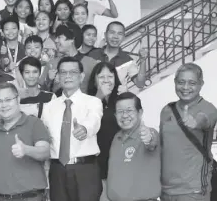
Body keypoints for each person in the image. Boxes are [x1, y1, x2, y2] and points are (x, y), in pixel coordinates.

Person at [41, 57, 103, 201]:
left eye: (73, 72)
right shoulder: (49, 107)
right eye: (63, 72)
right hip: (57, 170)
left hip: (85, 169)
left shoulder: (93, 102)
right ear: (57, 77)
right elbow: (45, 138)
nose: (67, 76)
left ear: (81, 76)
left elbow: (94, 120)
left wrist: (85, 129)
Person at [160, 63, 217, 201]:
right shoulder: (167, 110)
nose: (185, 88)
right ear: (175, 82)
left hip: (193, 190)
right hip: (165, 190)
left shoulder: (208, 108)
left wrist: (196, 122)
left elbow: (204, 119)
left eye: (192, 83)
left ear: (201, 84)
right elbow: (162, 147)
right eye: (181, 82)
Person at [0, 83, 50, 201]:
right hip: (0, 197)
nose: (3, 105)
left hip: (30, 197)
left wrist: (26, 150)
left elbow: (45, 152)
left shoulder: (34, 123)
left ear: (17, 99)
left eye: (8, 100)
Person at [107, 92, 160, 201]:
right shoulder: (116, 138)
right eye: (120, 111)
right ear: (115, 115)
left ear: (140, 112)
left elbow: (151, 142)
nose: (124, 115)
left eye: (129, 110)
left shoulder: (148, 133)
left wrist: (149, 137)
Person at [86, 62, 124, 201]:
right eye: (102, 76)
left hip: (122, 161)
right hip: (98, 164)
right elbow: (85, 124)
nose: (106, 80)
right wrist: (99, 97)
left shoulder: (122, 99)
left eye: (110, 76)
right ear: (94, 80)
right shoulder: (88, 101)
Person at [89, 21, 148, 89]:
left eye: (119, 34)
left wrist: (143, 60)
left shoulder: (128, 60)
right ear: (105, 35)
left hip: (116, 98)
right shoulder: (92, 55)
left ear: (123, 37)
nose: (115, 36)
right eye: (112, 32)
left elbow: (140, 84)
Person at [48, 25, 98, 94]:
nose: (56, 40)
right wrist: (49, 80)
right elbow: (41, 92)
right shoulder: (51, 63)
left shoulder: (91, 63)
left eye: (59, 37)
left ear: (72, 39)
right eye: (56, 37)